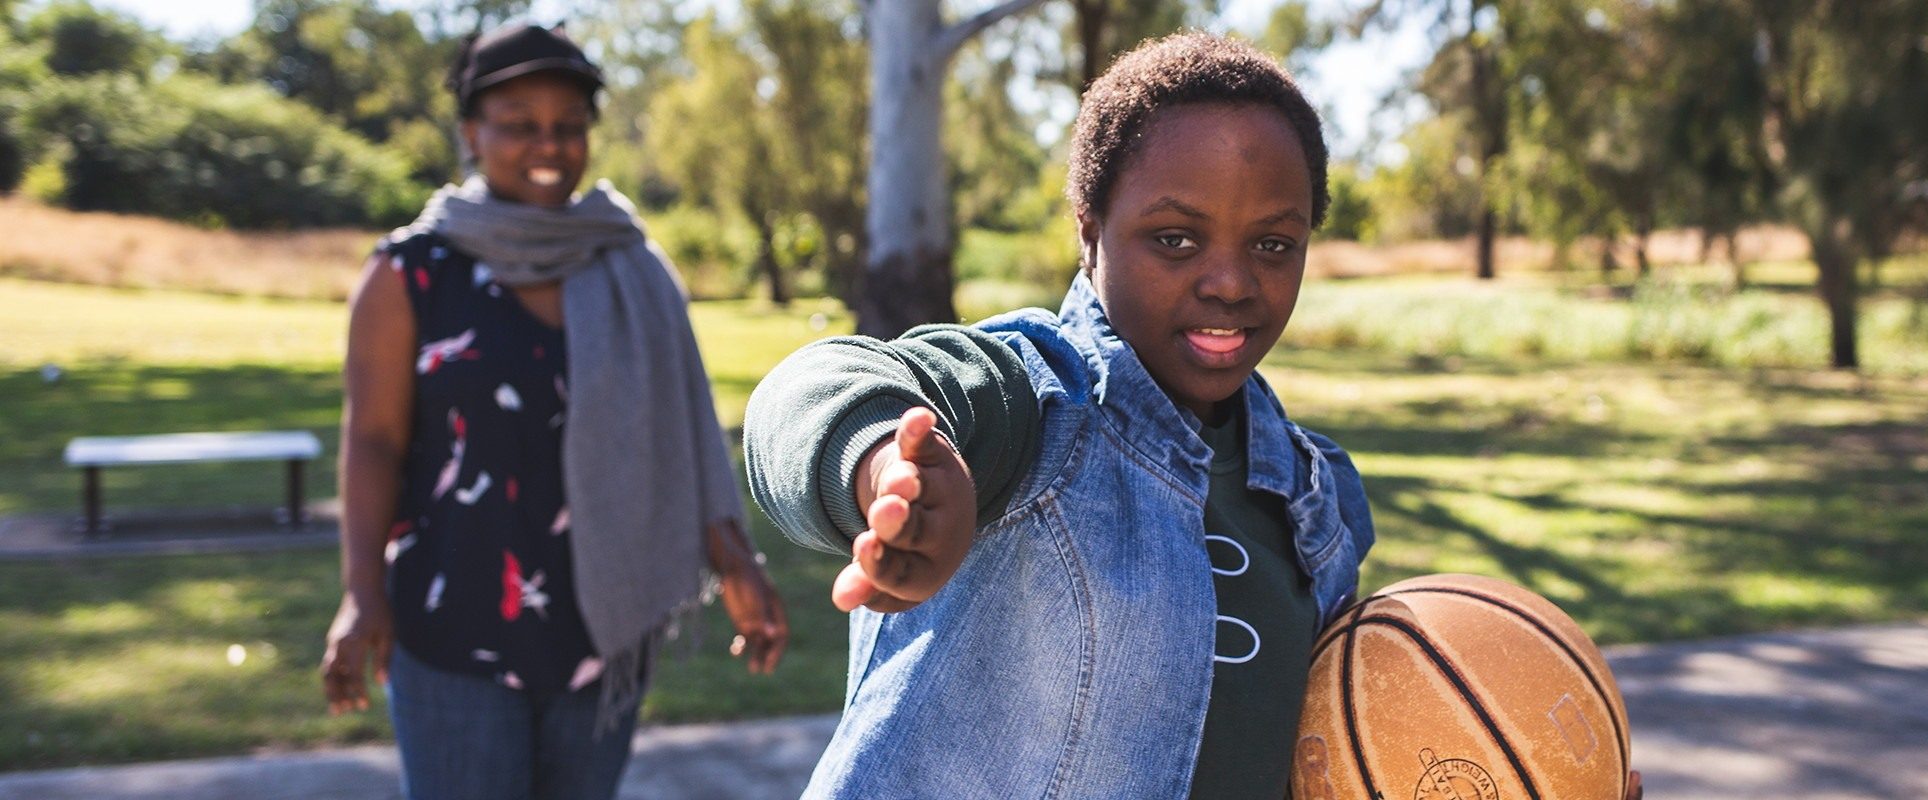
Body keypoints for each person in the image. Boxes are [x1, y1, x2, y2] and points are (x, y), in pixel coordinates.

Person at [742, 33, 1366, 797]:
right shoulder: (1035, 407)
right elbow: (809, 387)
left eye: (1273, 244)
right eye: (1175, 239)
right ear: (1090, 228)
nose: (1231, 282)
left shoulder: (1321, 498)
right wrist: (880, 466)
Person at [320, 23, 788, 800]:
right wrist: (361, 589)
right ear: (471, 132)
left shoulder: (631, 264)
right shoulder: (410, 273)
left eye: (569, 127)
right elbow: (371, 441)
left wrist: (736, 561)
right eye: (520, 124)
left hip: (599, 635)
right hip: (451, 629)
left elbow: (686, 431)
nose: (549, 144)